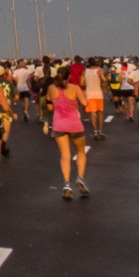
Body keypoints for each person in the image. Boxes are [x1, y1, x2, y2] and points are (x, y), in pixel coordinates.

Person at [47, 66, 90, 198]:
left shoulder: (52, 88)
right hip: (74, 125)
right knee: (81, 152)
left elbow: (49, 102)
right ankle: (80, 178)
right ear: (69, 76)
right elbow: (85, 103)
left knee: (65, 155)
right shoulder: (75, 88)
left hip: (59, 125)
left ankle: (67, 184)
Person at [83, 57, 107, 139]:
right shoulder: (99, 71)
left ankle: (95, 131)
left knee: (93, 113)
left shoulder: (85, 71)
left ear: (88, 64)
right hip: (99, 94)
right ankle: (101, 130)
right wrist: (104, 87)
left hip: (90, 94)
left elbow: (82, 82)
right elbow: (104, 79)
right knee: (100, 112)